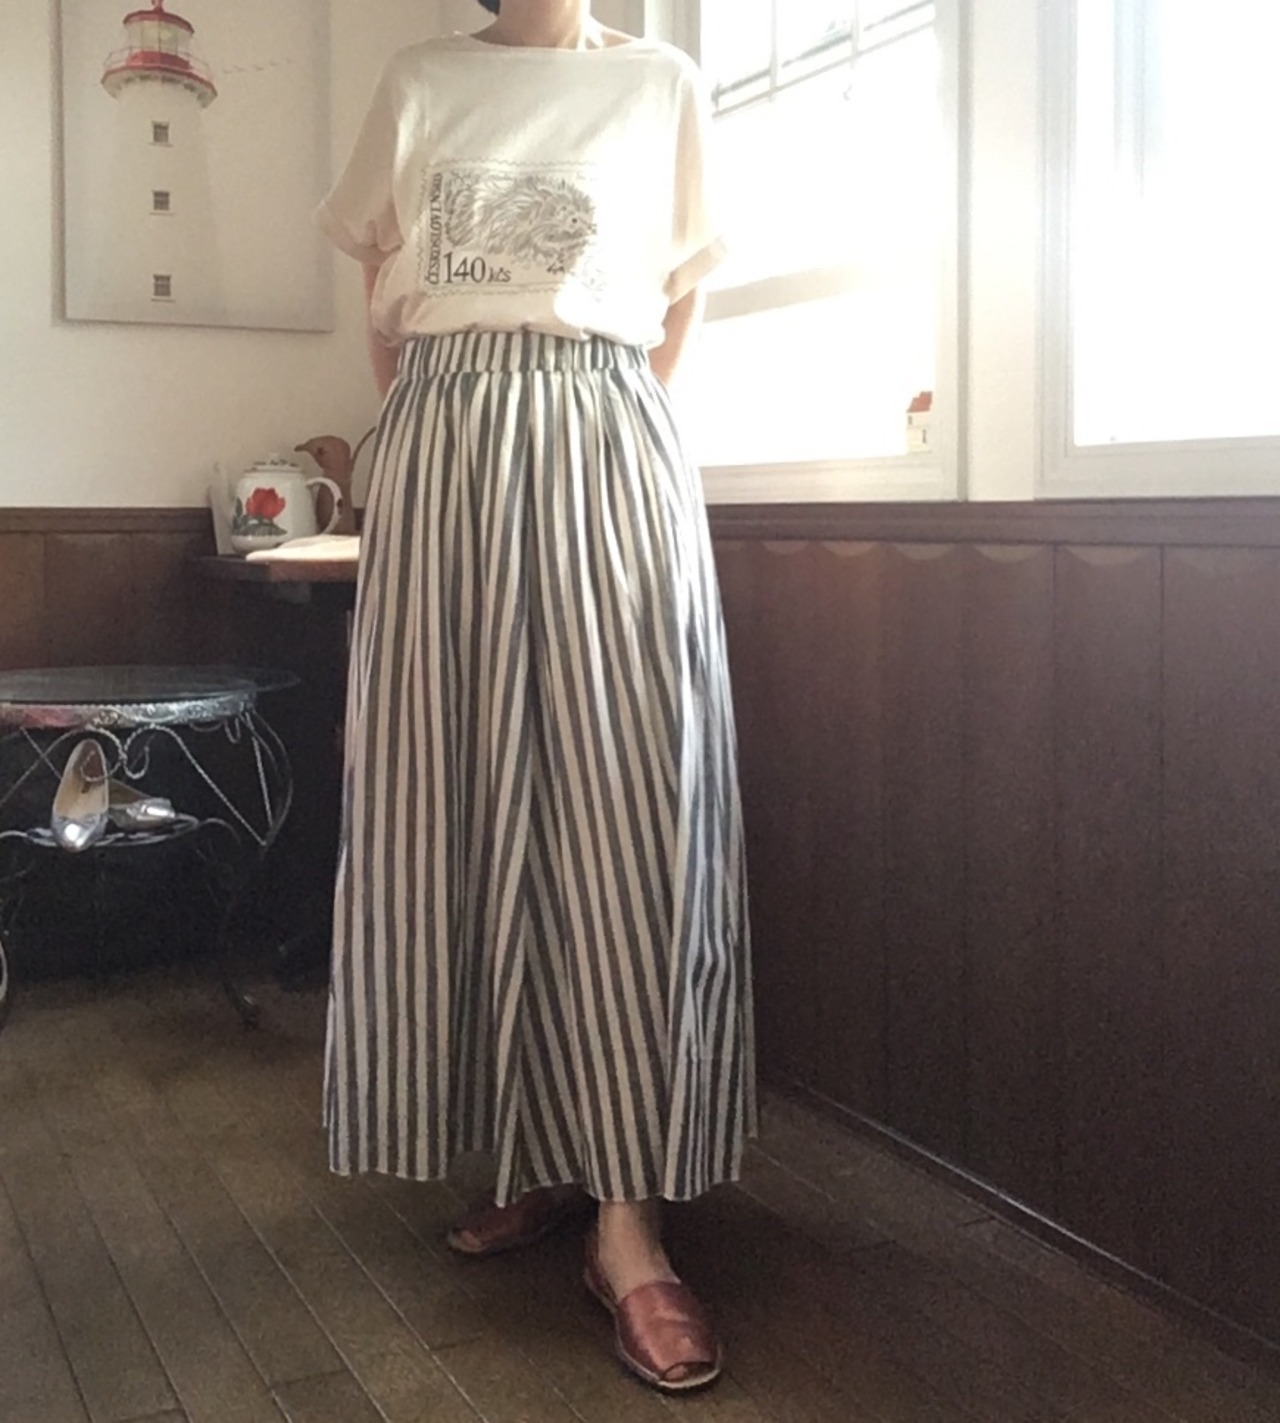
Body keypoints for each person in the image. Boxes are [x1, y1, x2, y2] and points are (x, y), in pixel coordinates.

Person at [316, 0, 753, 1392]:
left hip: (608, 435)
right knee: (453, 794)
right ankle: (532, 1151)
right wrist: (443, 427)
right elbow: (381, 302)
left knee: (631, 807)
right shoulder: (419, 79)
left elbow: (680, 298)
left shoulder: (662, 84)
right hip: (442, 443)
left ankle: (628, 1222)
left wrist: (592, 413)